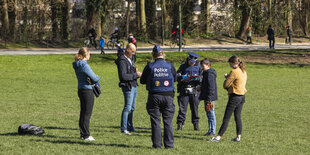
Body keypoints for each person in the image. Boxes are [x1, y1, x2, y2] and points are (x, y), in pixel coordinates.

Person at [140, 45, 177, 149]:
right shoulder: (170, 66)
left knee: (156, 121)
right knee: (168, 121)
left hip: (154, 96)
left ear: (153, 55)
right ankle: (169, 145)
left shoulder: (150, 66)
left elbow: (142, 81)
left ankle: (157, 145)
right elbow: (175, 79)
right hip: (168, 96)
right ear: (163, 54)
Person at [209, 55, 247, 142]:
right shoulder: (243, 70)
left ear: (234, 63)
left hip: (235, 96)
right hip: (242, 96)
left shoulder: (234, 72)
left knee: (226, 117)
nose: (229, 65)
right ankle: (238, 137)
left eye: (230, 63)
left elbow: (226, 85)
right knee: (237, 117)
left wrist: (227, 78)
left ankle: (218, 137)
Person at [72, 47, 100, 141]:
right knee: (87, 113)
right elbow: (94, 78)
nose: (90, 56)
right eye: (89, 54)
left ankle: (83, 133)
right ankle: (86, 135)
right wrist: (97, 76)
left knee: (83, 113)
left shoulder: (77, 64)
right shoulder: (84, 65)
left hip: (80, 89)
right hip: (87, 90)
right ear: (86, 55)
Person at [115, 43, 142, 135]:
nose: (134, 53)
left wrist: (134, 71)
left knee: (132, 108)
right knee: (127, 107)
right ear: (127, 49)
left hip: (133, 85)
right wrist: (136, 75)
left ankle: (130, 126)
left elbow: (128, 73)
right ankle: (124, 128)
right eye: (132, 51)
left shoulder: (129, 59)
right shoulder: (122, 61)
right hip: (128, 86)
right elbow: (123, 76)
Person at [176, 52, 202, 131]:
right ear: (188, 59)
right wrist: (182, 77)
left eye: (193, 62)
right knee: (182, 108)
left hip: (195, 90)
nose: (192, 63)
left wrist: (198, 79)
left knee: (195, 108)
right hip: (184, 89)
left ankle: (196, 125)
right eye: (191, 62)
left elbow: (203, 77)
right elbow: (177, 76)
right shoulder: (183, 66)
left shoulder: (199, 67)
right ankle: (180, 124)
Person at [199, 58, 218, 137]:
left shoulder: (209, 74)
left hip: (209, 97)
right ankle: (210, 130)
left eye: (203, 66)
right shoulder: (206, 73)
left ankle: (212, 131)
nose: (201, 67)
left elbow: (211, 87)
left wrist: (209, 99)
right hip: (207, 96)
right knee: (208, 114)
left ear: (208, 65)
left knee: (211, 113)